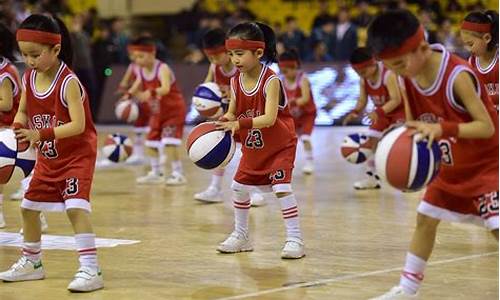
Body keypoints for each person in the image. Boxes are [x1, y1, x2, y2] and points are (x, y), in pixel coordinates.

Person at [366, 10, 498, 299]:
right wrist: (405, 160)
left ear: (423, 48)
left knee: (496, 228)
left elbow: (487, 128)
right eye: (391, 67)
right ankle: (407, 289)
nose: (397, 71)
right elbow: (415, 129)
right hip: (449, 167)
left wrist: (442, 129)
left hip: (487, 167)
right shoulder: (405, 77)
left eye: (400, 63)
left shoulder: (458, 75)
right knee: (425, 219)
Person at [0, 14, 103, 292]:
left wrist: (39, 134)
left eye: (35, 54)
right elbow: (22, 109)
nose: (30, 61)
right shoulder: (29, 75)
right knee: (28, 208)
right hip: (48, 157)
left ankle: (91, 269)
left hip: (76, 156)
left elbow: (79, 125)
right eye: (24, 55)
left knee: (76, 209)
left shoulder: (68, 81)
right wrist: (18, 128)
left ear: (55, 50)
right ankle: (32, 263)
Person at [216, 22, 305, 259]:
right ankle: (241, 235)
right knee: (238, 187)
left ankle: (295, 238)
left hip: (279, 146)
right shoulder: (235, 81)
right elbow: (233, 112)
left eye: (240, 53)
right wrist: (224, 119)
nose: (234, 59)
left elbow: (268, 118)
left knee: (282, 188)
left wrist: (239, 124)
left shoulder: (271, 80)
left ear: (258, 52)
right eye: (231, 54)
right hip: (254, 146)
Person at [194, 28, 265, 206]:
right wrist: (203, 99)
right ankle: (215, 188)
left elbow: (252, 91)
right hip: (226, 114)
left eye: (216, 56)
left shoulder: (242, 65)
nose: (213, 61)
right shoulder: (214, 66)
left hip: (246, 113)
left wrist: (231, 93)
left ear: (227, 51)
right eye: (210, 58)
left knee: (248, 153)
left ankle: (255, 190)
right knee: (218, 146)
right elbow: (207, 85)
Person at [343, 47, 405, 189]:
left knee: (394, 142)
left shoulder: (388, 74)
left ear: (372, 64)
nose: (361, 75)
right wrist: (355, 111)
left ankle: (406, 176)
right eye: (357, 72)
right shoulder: (363, 79)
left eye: (363, 72)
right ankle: (372, 178)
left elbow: (396, 100)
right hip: (382, 113)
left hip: (400, 112)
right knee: (371, 141)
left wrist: (379, 112)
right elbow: (362, 100)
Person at [128, 37, 187, 185]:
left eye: (141, 56)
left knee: (169, 142)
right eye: (135, 57)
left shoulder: (162, 68)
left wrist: (150, 93)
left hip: (173, 111)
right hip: (157, 112)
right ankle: (156, 172)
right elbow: (136, 87)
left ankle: (178, 173)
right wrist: (127, 96)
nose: (138, 60)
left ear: (152, 53)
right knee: (151, 142)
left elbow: (165, 88)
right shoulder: (141, 71)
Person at [278, 49, 317, 174]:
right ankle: (285, 163)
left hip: (307, 114)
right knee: (287, 140)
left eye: (286, 71)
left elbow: (305, 99)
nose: (284, 74)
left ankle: (310, 161)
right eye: (282, 71)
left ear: (294, 67)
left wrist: (292, 102)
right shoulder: (281, 80)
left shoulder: (303, 79)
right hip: (292, 116)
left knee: (305, 137)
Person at [460, 10, 498, 110]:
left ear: (487, 38)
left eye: (470, 44)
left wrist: (481, 100)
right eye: (465, 45)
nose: (468, 49)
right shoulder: (471, 63)